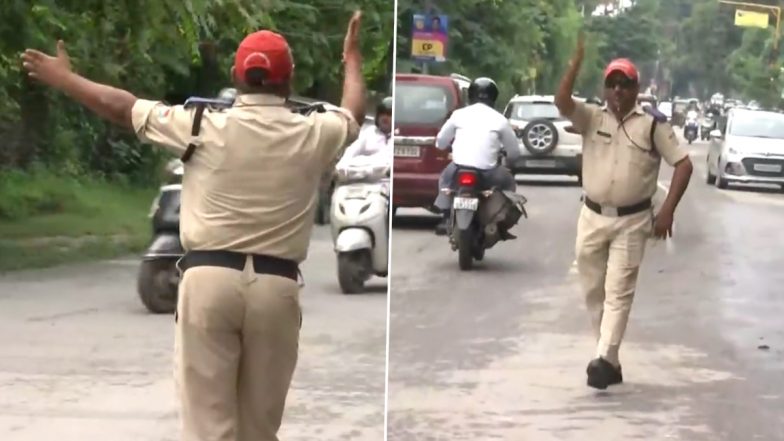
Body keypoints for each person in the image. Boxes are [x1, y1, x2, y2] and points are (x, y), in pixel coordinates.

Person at [22, 11, 366, 440]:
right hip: (276, 289)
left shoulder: (200, 125)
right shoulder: (314, 132)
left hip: (209, 283)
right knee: (259, 429)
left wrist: (64, 78)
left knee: (209, 428)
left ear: (235, 76)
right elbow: (352, 112)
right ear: (288, 79)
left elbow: (121, 107)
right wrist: (351, 59)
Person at [554, 34, 693, 390]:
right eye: (612, 84)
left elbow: (684, 165)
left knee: (619, 291)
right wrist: (575, 64)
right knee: (593, 291)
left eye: (625, 84)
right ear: (605, 88)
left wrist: (668, 212)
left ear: (636, 88)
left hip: (633, 220)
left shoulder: (651, 124)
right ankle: (611, 359)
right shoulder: (590, 117)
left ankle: (602, 360)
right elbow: (561, 101)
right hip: (592, 215)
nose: (618, 90)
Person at [432, 77, 521, 237]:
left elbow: (440, 141)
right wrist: (511, 159)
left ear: (471, 95)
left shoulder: (458, 115)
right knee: (509, 183)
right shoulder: (500, 120)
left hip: (458, 168)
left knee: (444, 181)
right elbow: (514, 151)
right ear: (494, 97)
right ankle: (500, 220)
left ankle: (445, 216)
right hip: (489, 172)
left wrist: (444, 147)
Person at [336, 96, 392, 171]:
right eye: (382, 113)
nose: (385, 117)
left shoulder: (399, 137)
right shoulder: (367, 134)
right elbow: (347, 157)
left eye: (389, 114)